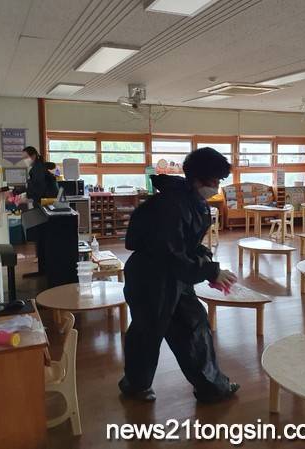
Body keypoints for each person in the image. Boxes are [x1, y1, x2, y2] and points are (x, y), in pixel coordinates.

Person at [119, 147, 239, 403]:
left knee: (194, 326)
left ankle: (212, 388)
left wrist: (207, 262)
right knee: (147, 332)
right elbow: (169, 253)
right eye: (215, 181)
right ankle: (136, 385)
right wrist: (210, 271)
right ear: (198, 179)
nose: (217, 187)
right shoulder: (170, 205)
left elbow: (187, 245)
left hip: (174, 277)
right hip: (150, 279)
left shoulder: (190, 200)